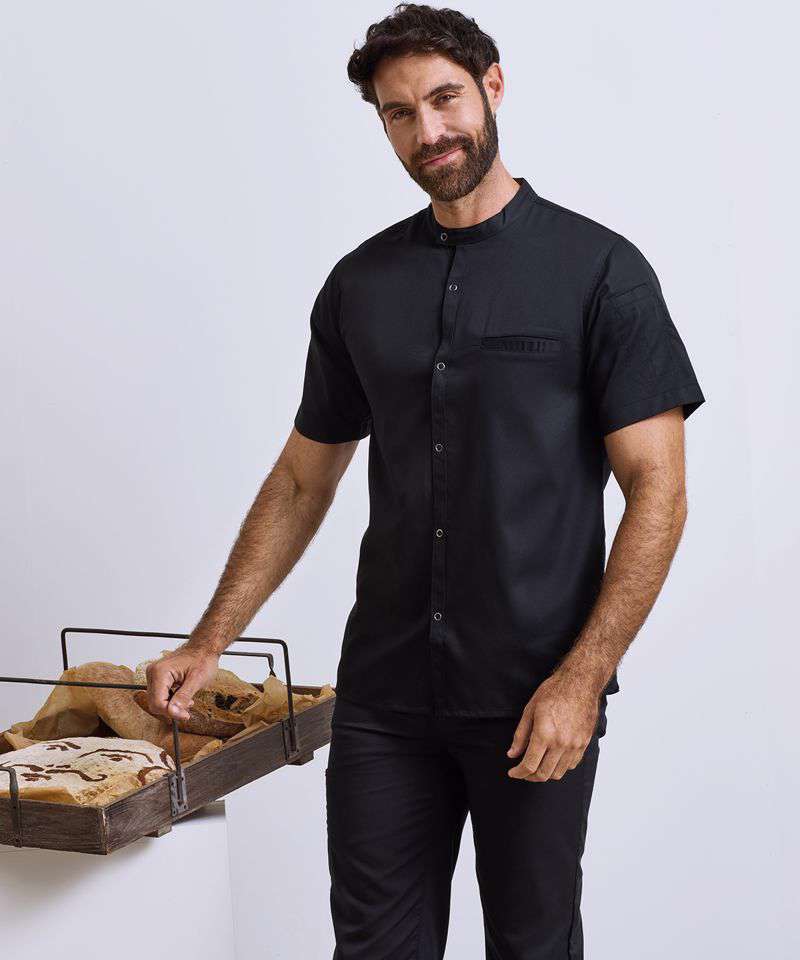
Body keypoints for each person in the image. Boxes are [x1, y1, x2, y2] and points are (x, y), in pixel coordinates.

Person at [145, 4, 706, 957]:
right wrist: (209, 640)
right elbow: (301, 480)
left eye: (445, 99)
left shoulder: (601, 272)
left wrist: (582, 681)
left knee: (532, 945)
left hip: (533, 697)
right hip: (385, 697)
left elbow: (659, 491)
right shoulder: (360, 285)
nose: (428, 131)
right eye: (399, 113)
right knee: (373, 948)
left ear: (493, 86)